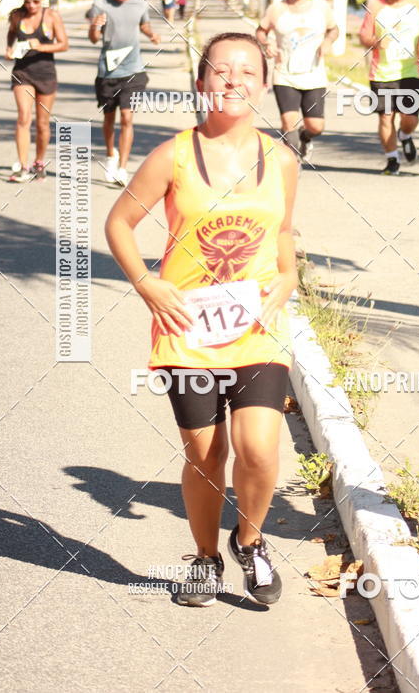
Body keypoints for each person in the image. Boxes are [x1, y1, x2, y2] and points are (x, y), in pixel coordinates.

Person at [105, 31, 298, 606]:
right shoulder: (173, 156)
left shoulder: (282, 159)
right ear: (201, 83)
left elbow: (284, 240)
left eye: (246, 72)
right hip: (187, 333)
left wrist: (287, 281)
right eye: (220, 71)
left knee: (259, 447)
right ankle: (206, 558)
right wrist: (146, 283)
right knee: (205, 453)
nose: (233, 81)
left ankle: (251, 541)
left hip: (255, 329)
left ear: (263, 85)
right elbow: (119, 224)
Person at [256, 0, 338, 161]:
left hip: (314, 75)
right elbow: (261, 31)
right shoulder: (277, 9)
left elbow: (334, 30)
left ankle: (305, 136)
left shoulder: (321, 7)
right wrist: (267, 43)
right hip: (284, 74)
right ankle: (293, 164)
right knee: (288, 122)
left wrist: (328, 41)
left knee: (316, 126)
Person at [88, 0, 160, 186]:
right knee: (109, 118)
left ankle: (122, 169)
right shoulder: (100, 4)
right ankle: (111, 156)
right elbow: (93, 39)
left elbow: (143, 24)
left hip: (133, 70)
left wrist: (151, 34)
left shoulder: (139, 3)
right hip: (108, 72)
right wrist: (95, 26)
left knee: (127, 118)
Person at [359, 0, 419, 174]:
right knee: (385, 116)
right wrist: (375, 42)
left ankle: (405, 135)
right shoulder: (376, 7)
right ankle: (392, 160)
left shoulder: (418, 5)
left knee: (409, 118)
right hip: (381, 72)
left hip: (409, 71)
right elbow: (363, 35)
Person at [5, 0, 69, 181]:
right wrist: (9, 48)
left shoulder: (51, 16)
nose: (31, 6)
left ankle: (39, 162)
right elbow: (11, 33)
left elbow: (64, 44)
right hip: (22, 72)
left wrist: (40, 46)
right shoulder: (17, 16)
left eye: (35, 1)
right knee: (24, 117)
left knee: (42, 124)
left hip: (46, 74)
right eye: (28, 2)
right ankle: (23, 166)